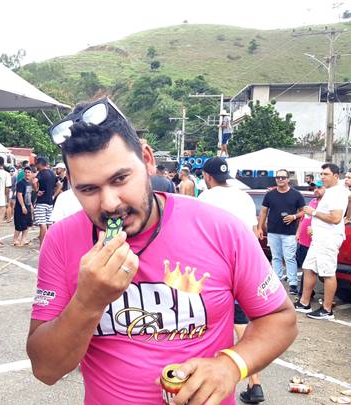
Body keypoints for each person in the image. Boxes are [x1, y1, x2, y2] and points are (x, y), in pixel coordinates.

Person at [27, 97, 297, 405]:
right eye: (88, 189)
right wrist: (88, 302)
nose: (110, 203)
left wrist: (231, 365)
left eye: (120, 179)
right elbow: (46, 369)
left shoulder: (220, 228)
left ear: (147, 159)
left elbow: (280, 317)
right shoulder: (62, 240)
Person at [198, 157, 265, 403]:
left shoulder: (206, 197)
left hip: (216, 267)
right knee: (241, 321)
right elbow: (253, 233)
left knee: (210, 324)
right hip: (244, 265)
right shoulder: (243, 197)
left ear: (207, 176)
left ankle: (208, 381)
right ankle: (254, 383)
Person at [295, 163, 350, 320]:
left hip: (328, 238)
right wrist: (349, 217)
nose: (322, 177)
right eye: (322, 174)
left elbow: (335, 218)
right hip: (319, 237)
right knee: (308, 268)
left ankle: (327, 310)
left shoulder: (336, 193)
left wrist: (314, 212)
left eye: (326, 174)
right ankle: (304, 303)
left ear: (336, 176)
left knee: (328, 273)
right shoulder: (336, 190)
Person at [257, 169, 305, 296]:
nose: (280, 179)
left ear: (288, 179)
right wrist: (260, 227)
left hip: (290, 233)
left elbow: (303, 211)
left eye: (283, 177)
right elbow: (263, 211)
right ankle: (276, 282)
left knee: (290, 258)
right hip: (273, 232)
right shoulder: (270, 195)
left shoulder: (296, 195)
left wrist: (294, 217)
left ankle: (293, 284)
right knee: (276, 257)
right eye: (278, 177)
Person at [295, 181, 324, 298]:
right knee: (305, 268)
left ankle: (303, 294)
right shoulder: (313, 201)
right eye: (315, 187)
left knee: (311, 269)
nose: (316, 190)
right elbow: (304, 219)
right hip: (303, 240)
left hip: (315, 242)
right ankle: (307, 292)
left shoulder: (326, 205)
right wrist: (298, 232)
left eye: (319, 187)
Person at [34, 157, 57, 246]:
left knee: (42, 224)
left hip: (41, 202)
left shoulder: (41, 173)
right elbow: (59, 184)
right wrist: (53, 195)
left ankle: (42, 246)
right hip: (50, 202)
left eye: (36, 164)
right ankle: (49, 245)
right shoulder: (52, 173)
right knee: (49, 224)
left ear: (40, 164)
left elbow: (34, 181)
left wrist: (36, 190)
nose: (36, 166)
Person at [13, 166, 36, 246]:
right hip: (20, 207)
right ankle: (15, 239)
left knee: (27, 224)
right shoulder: (21, 183)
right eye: (26, 172)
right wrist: (23, 206)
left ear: (31, 173)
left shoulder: (29, 183)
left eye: (29, 172)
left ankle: (23, 239)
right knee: (19, 224)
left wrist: (31, 205)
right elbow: (19, 195)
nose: (27, 174)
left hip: (28, 205)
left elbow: (29, 195)